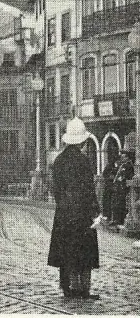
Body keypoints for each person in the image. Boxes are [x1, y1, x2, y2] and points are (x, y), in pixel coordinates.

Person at [48, 117, 101, 300]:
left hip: (64, 213)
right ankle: (82, 289)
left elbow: (56, 189)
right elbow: (88, 189)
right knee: (84, 250)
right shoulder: (83, 161)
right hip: (82, 213)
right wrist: (95, 211)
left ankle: (67, 287)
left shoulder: (59, 161)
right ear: (83, 141)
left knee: (65, 250)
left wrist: (63, 206)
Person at [112, 149, 135, 227]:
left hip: (123, 187)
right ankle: (117, 220)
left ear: (128, 158)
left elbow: (128, 176)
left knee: (122, 204)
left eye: (124, 157)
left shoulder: (128, 165)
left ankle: (120, 220)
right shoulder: (123, 165)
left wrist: (122, 179)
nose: (122, 158)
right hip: (119, 187)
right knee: (117, 203)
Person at [101, 157, 119, 224]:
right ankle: (107, 216)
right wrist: (109, 177)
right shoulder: (109, 166)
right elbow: (104, 174)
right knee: (107, 201)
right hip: (109, 186)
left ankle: (111, 218)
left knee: (112, 202)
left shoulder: (117, 166)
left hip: (113, 186)